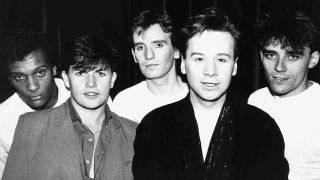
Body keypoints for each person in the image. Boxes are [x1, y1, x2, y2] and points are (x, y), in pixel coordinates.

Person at [133, 7, 289, 180]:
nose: (210, 71)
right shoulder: (153, 127)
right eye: (199, 59)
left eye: (221, 59)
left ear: (234, 66)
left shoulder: (262, 128)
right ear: (183, 64)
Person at [2, 35, 137, 180]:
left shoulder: (134, 133)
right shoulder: (30, 127)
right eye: (80, 73)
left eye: (100, 73)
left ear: (112, 79)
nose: (91, 83)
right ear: (66, 78)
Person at [248, 10, 320, 180]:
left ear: (312, 60)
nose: (279, 67)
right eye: (271, 55)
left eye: (292, 56)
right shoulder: (256, 100)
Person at [0, 28, 70, 178]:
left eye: (39, 72)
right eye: (19, 76)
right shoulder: (3, 120)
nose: (32, 86)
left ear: (54, 69)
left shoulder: (82, 97)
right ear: (10, 81)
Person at [112, 10, 188, 123]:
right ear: (134, 55)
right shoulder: (125, 103)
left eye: (158, 45)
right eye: (140, 47)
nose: (148, 55)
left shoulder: (195, 97)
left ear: (176, 51)